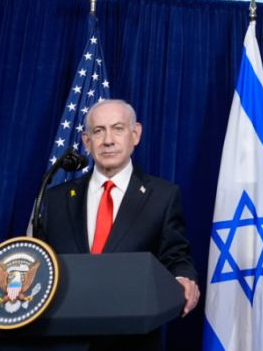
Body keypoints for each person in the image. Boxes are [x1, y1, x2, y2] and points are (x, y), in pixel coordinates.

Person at [38, 99, 199, 350]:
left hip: (131, 340)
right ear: (86, 141)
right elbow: (41, 262)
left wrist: (183, 277)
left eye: (118, 128)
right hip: (65, 340)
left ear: (135, 134)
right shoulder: (56, 198)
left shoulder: (162, 196)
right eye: (98, 131)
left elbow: (176, 255)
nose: (108, 140)